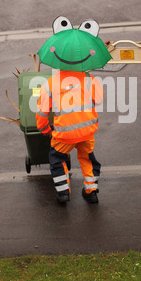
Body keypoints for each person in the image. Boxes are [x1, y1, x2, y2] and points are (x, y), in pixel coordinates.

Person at [36, 69, 103, 203]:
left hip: (64, 134)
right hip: (86, 131)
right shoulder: (89, 79)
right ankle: (91, 192)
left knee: (57, 158)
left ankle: (63, 193)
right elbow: (98, 100)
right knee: (87, 159)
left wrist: (44, 130)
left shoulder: (50, 84)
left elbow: (42, 113)